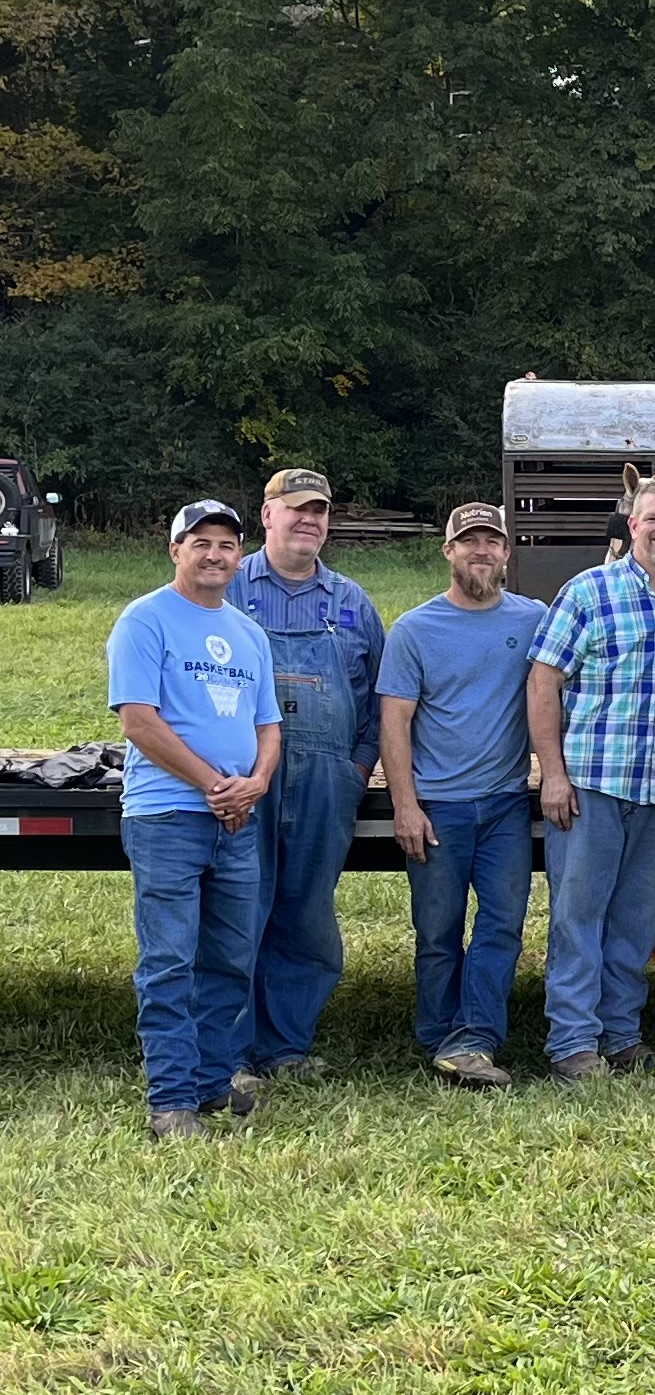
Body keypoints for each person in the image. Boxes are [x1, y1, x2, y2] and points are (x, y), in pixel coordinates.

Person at [527, 478, 655, 1081]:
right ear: (632, 525)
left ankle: (621, 1033)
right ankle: (572, 1042)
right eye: (653, 519)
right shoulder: (589, 591)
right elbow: (543, 680)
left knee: (637, 918)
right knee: (579, 914)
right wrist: (552, 774)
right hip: (592, 780)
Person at [109, 501, 281, 1138]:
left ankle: (211, 1083)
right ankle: (172, 1101)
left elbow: (268, 726)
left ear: (240, 556)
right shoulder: (145, 620)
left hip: (236, 820)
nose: (214, 554)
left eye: (227, 545)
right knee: (170, 962)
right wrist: (214, 784)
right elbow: (139, 722)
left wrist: (256, 783)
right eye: (200, 542)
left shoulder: (248, 634)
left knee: (231, 960)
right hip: (167, 816)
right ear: (175, 550)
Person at [377, 503, 544, 1090]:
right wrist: (405, 806)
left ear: (506, 553)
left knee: (502, 924)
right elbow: (394, 722)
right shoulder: (415, 630)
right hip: (438, 806)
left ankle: (475, 1037)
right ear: (448, 551)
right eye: (469, 541)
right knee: (438, 931)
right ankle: (437, 1033)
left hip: (503, 803)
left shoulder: (533, 619)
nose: (481, 551)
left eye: (491, 542)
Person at [230, 467, 386, 1091]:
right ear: (267, 514)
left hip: (327, 780)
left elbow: (381, 698)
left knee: (307, 913)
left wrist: (356, 769)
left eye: (318, 510)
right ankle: (229, 1053)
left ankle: (286, 1046)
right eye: (296, 508)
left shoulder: (351, 601)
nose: (309, 520)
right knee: (239, 907)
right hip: (244, 779)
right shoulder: (228, 587)